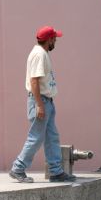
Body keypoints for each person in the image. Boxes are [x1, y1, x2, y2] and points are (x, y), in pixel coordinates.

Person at [9, 26, 75, 183]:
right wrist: (39, 105)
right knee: (36, 137)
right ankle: (18, 168)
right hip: (41, 101)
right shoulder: (39, 54)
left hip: (46, 101)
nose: (56, 41)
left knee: (51, 137)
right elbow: (34, 81)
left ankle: (56, 172)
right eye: (55, 39)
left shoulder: (41, 53)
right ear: (49, 40)